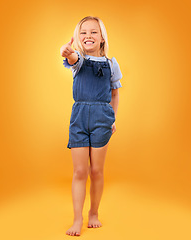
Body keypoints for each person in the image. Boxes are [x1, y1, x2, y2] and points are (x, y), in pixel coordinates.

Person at [60, 16, 122, 236]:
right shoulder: (79, 62)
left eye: (93, 32)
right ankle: (77, 219)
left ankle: (93, 213)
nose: (88, 36)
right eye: (83, 32)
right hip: (79, 118)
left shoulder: (111, 64)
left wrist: (112, 118)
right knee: (79, 171)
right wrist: (66, 52)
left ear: (102, 37)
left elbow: (115, 94)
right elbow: (72, 57)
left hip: (101, 118)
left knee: (96, 171)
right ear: (78, 37)